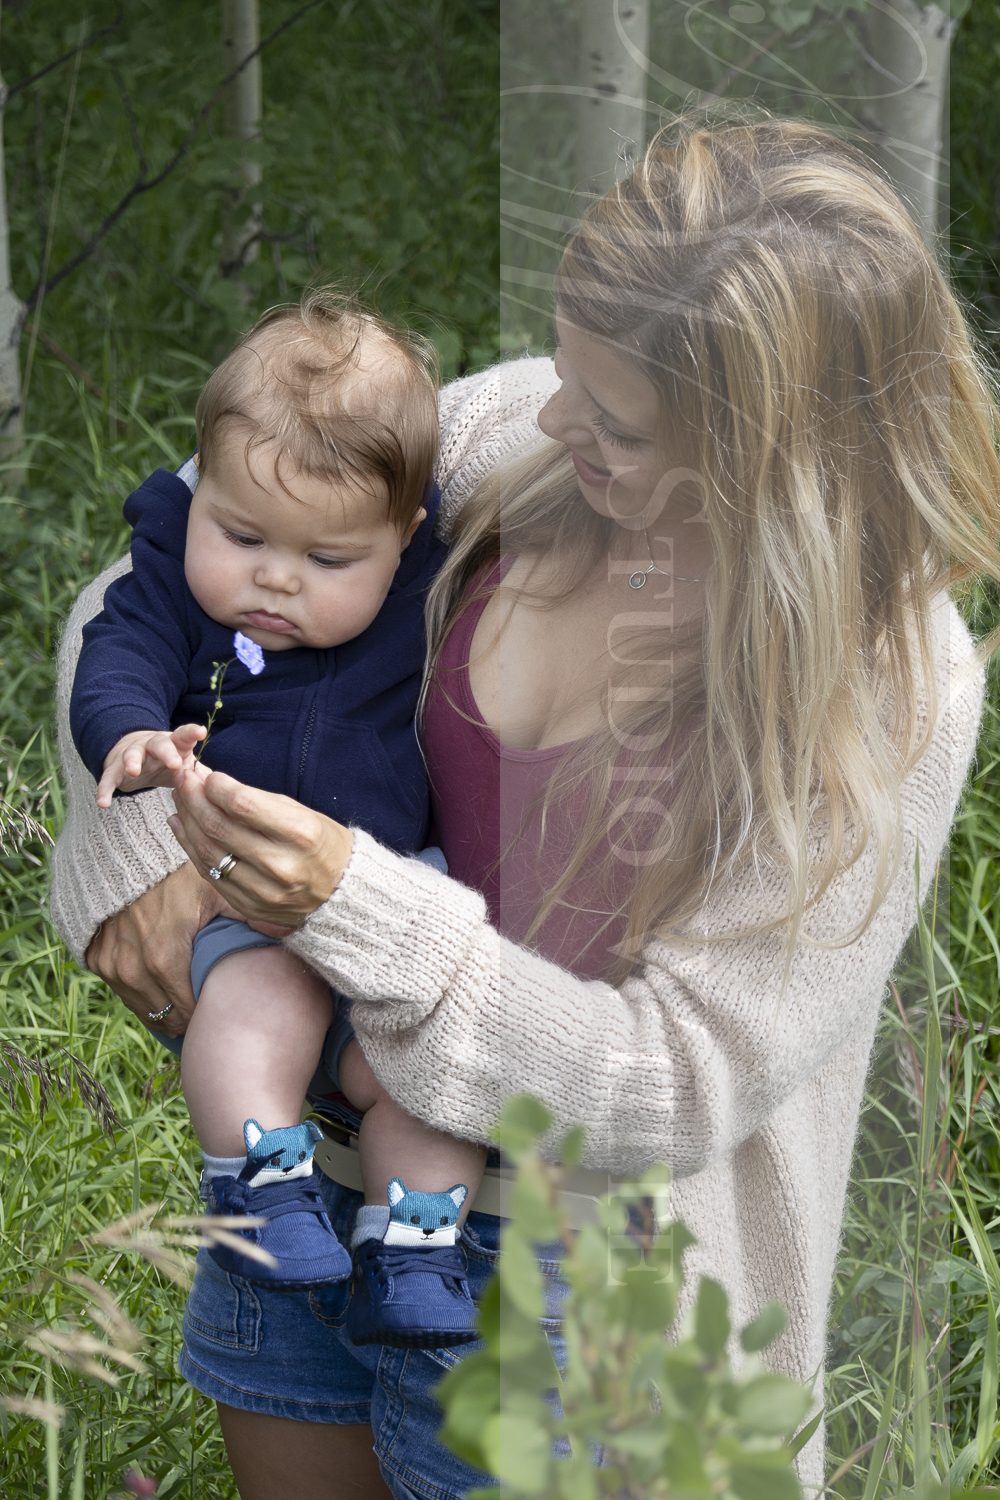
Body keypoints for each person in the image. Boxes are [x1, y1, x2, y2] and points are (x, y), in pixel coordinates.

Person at [50, 119, 1000, 1500]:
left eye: (613, 419)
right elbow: (159, 573)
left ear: (770, 451)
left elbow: (678, 1076)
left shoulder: (879, 684)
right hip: (305, 1180)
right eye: (566, 370)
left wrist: (353, 903)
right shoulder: (514, 442)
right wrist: (149, 839)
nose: (557, 418)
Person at [68, 290, 486, 1345]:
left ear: (404, 538)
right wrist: (131, 735)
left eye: (326, 561)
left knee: (427, 1070)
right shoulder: (174, 579)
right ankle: (259, 1193)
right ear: (199, 490)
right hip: (245, 891)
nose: (274, 579)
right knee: (262, 1007)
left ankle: (416, 1249)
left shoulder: (432, 577)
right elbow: (120, 650)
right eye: (241, 534)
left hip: (396, 883)